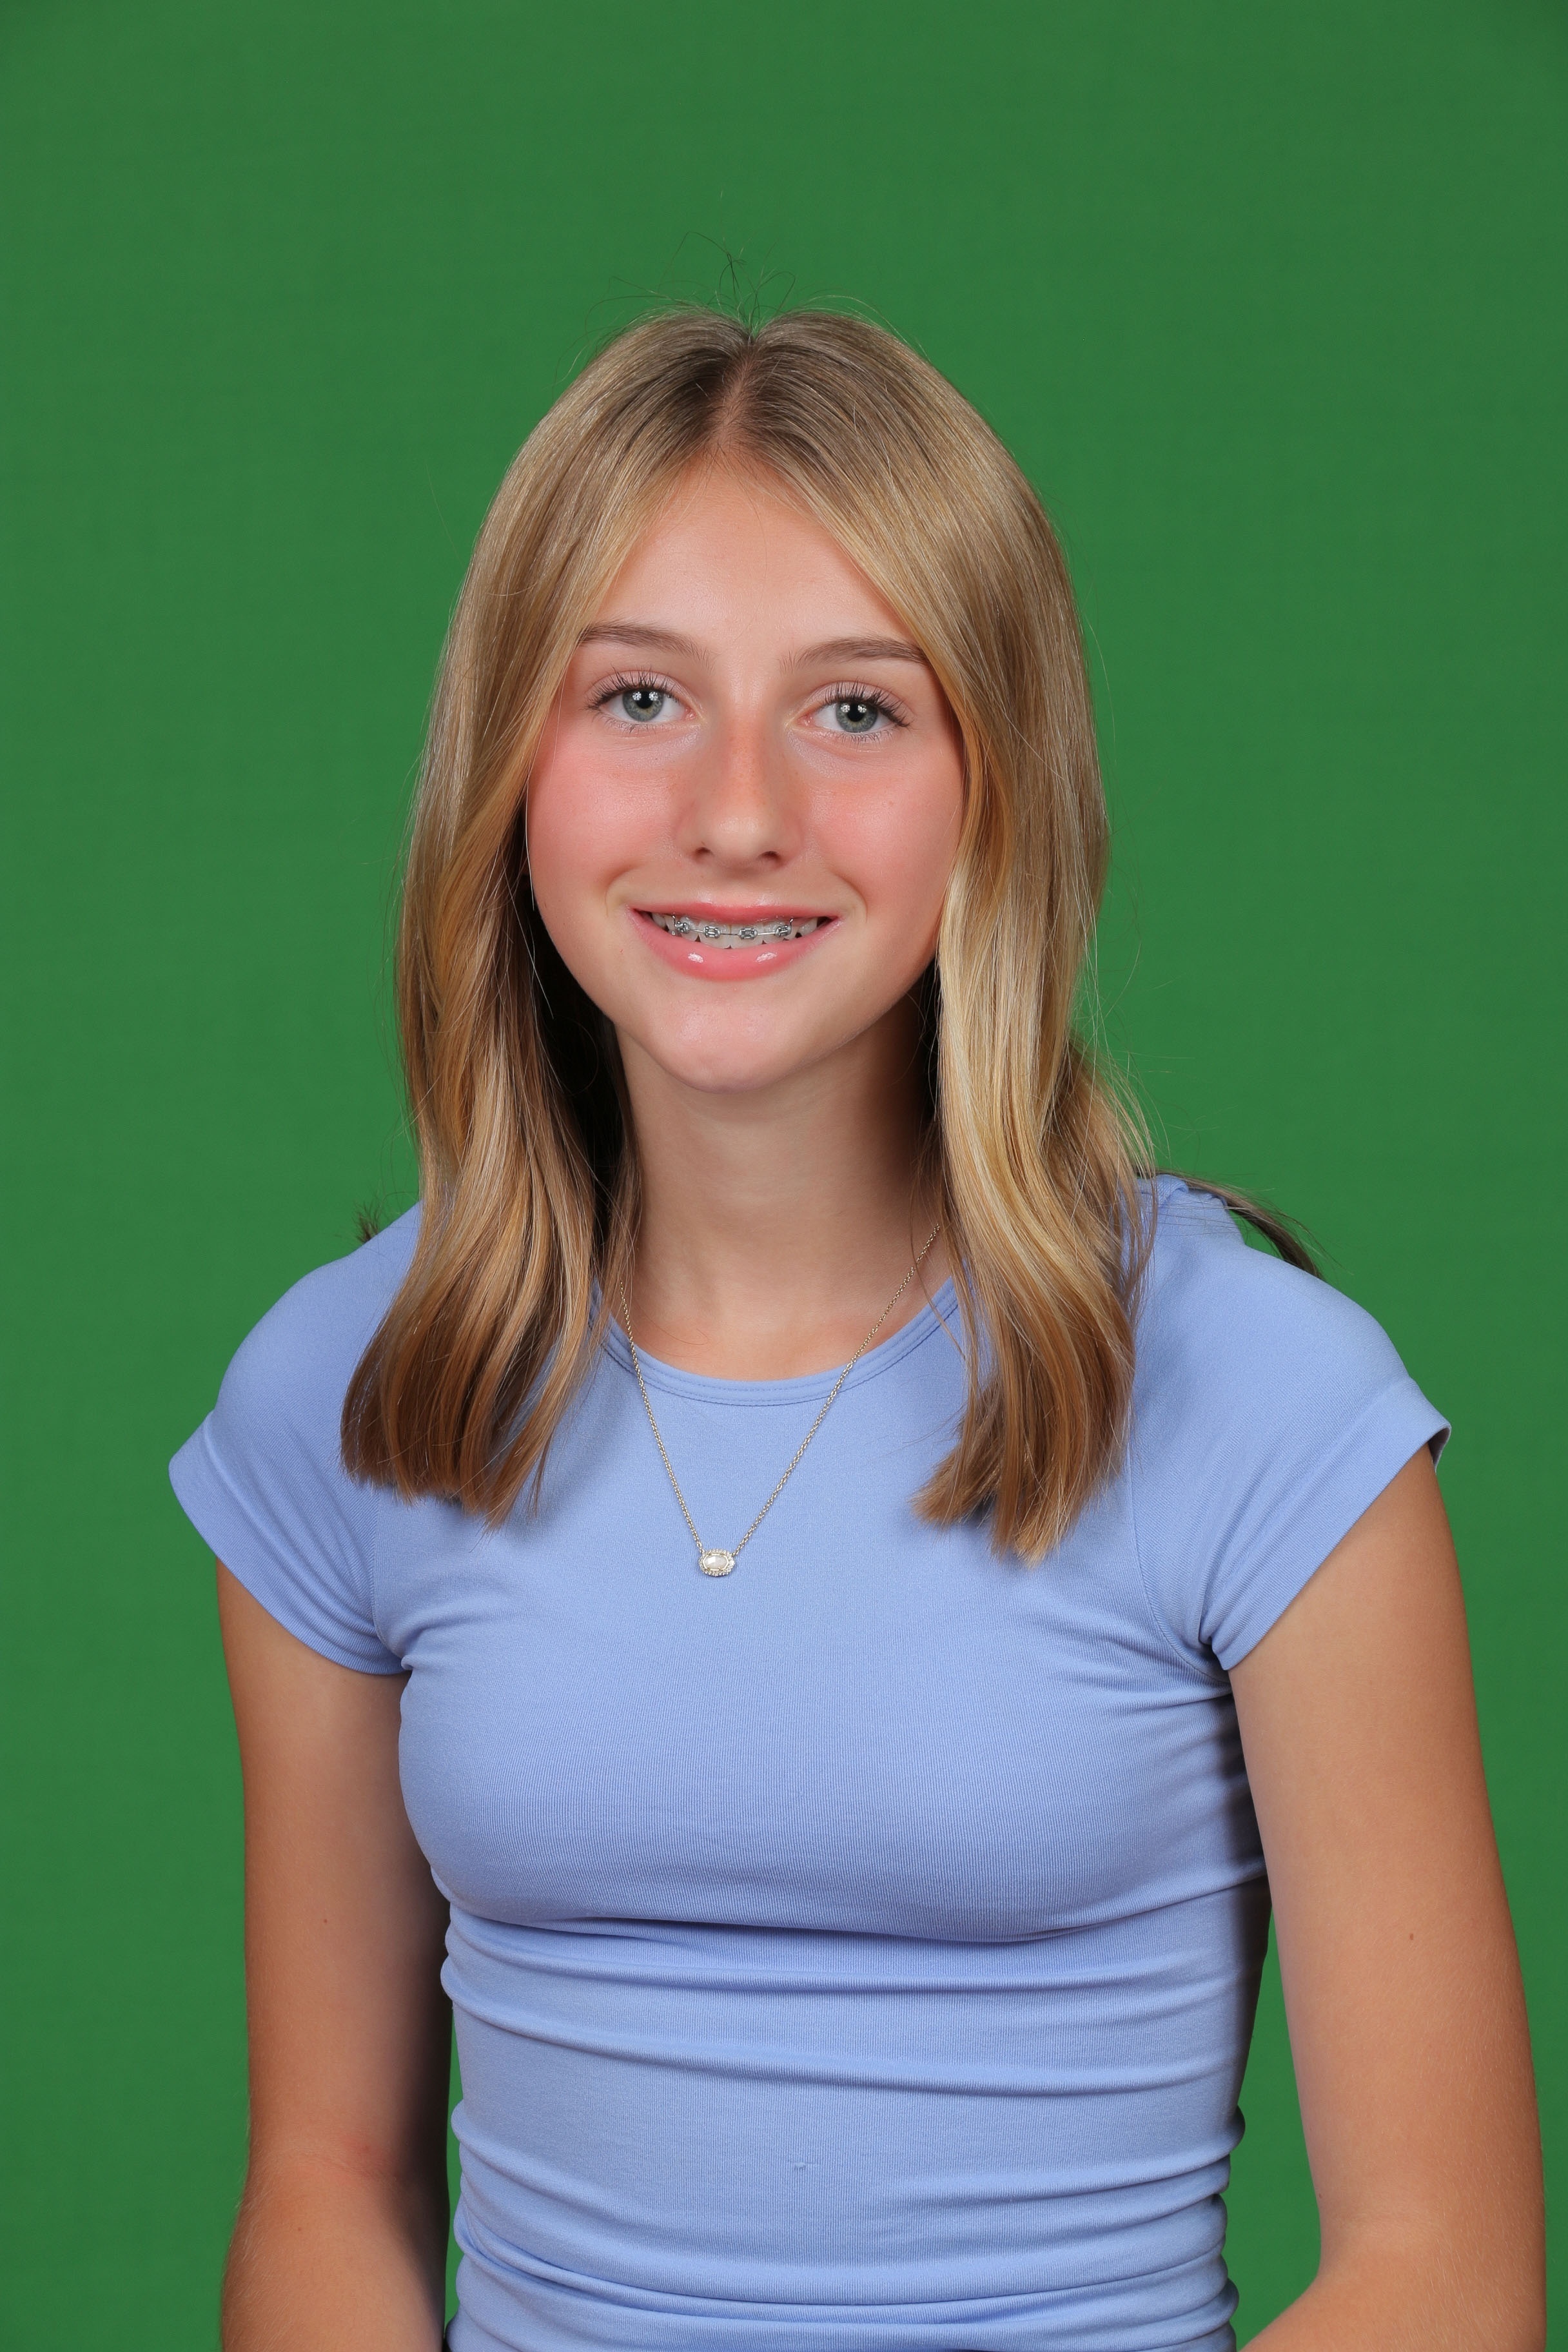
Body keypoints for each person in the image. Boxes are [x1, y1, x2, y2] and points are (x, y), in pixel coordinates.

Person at [170, 307, 1544, 2352]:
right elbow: (324, 2188)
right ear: (510, 768)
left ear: (997, 785)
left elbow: (1447, 2270)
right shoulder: (345, 1398)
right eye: (639, 695)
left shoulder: (1264, 1407)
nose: (738, 812)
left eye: (856, 710)